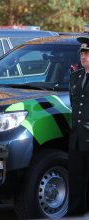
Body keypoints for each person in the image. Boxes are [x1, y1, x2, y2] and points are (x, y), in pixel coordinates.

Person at [68, 36, 89, 216]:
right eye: (82, 52)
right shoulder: (75, 77)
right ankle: (75, 214)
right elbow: (75, 105)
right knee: (75, 180)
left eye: (87, 52)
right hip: (77, 138)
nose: (83, 56)